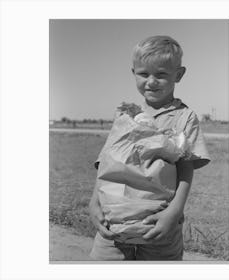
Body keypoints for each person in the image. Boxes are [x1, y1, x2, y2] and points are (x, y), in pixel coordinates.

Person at [89, 35, 210, 260]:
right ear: (133, 73)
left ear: (179, 75)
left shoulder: (185, 117)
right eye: (143, 74)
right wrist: (94, 201)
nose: (151, 81)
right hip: (112, 225)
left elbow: (186, 168)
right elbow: (108, 161)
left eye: (161, 74)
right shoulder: (126, 114)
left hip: (159, 226)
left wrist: (174, 212)